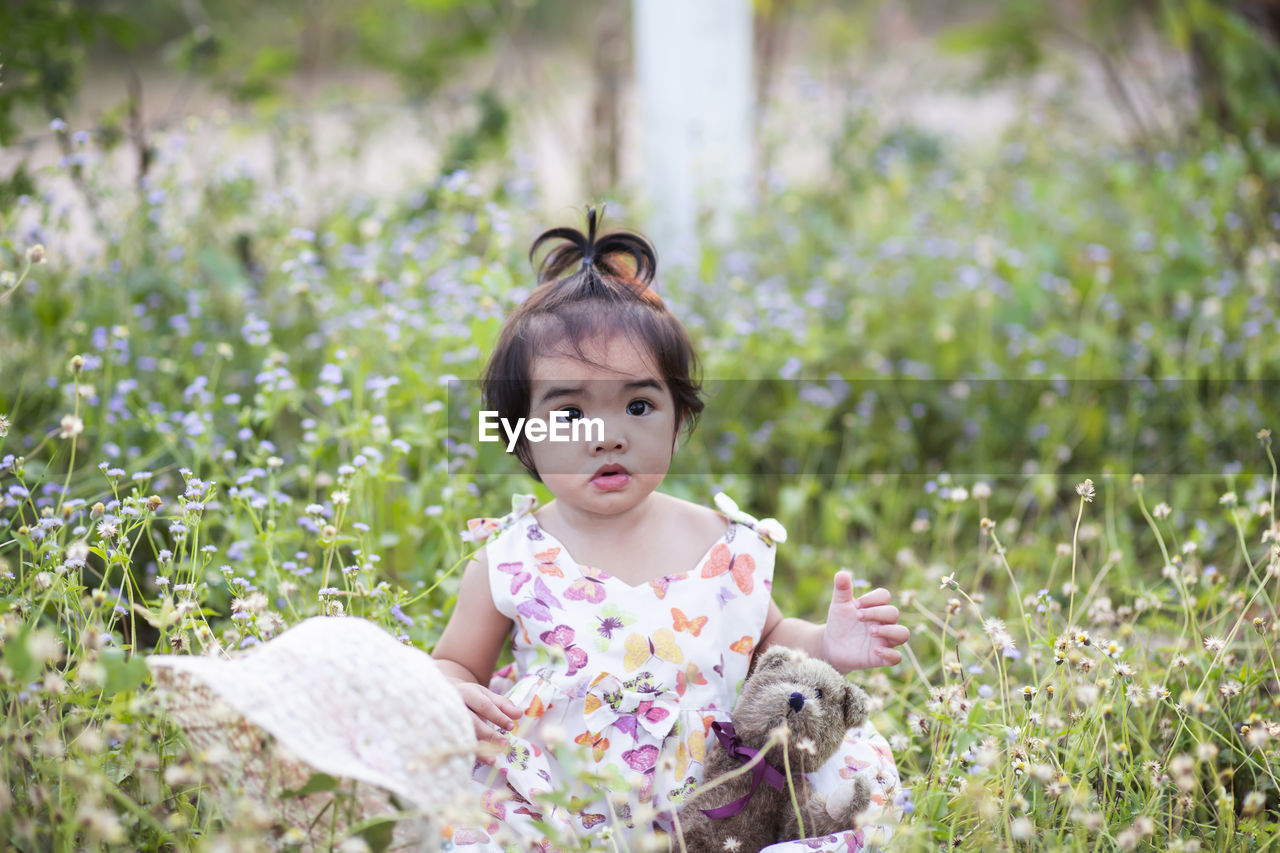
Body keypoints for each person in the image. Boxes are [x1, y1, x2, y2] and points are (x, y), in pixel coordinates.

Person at [431, 208, 910, 852]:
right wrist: (456, 692)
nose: (608, 435)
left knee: (846, 798)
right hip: (558, 794)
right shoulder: (513, 556)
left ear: (678, 420)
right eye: (569, 413)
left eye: (638, 405)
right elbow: (457, 660)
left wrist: (826, 641)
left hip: (714, 794)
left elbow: (767, 638)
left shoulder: (723, 542)